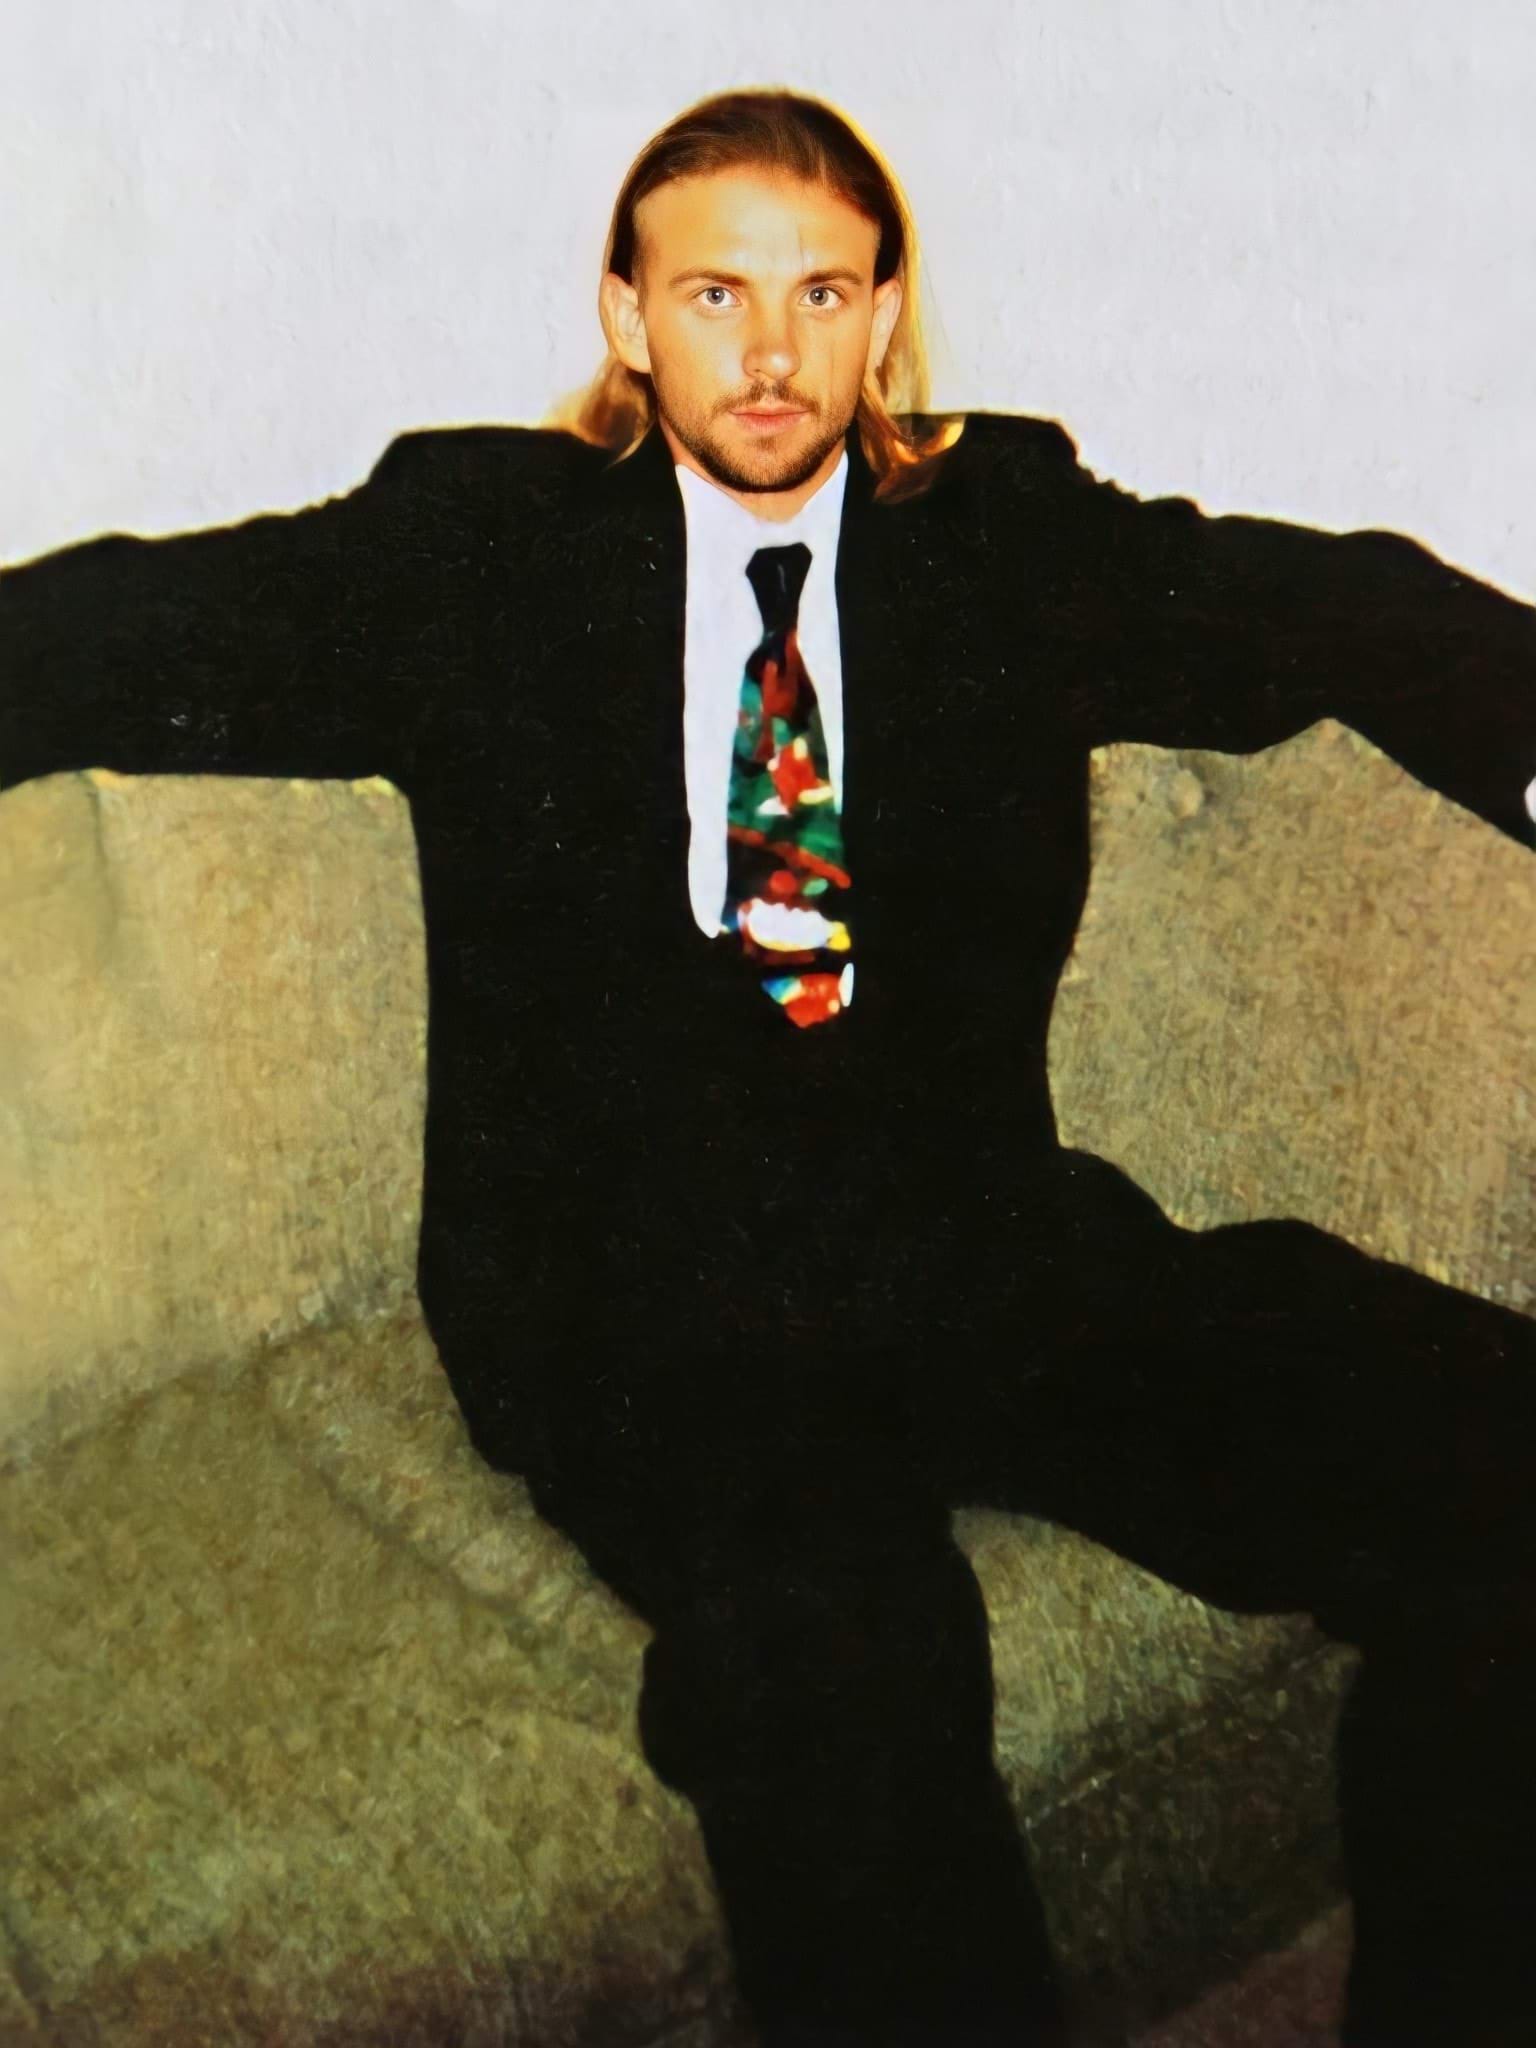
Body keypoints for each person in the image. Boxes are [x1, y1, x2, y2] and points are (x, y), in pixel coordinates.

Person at [4, 84, 1535, 2048]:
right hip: (640, 1302)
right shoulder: (480, 550)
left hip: (975, 1241)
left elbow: (1323, 604)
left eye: (821, 293)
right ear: (630, 317)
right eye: (715, 293)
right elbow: (126, 624)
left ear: (885, 316)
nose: (772, 349)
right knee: (843, 1669)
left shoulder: (1005, 536)